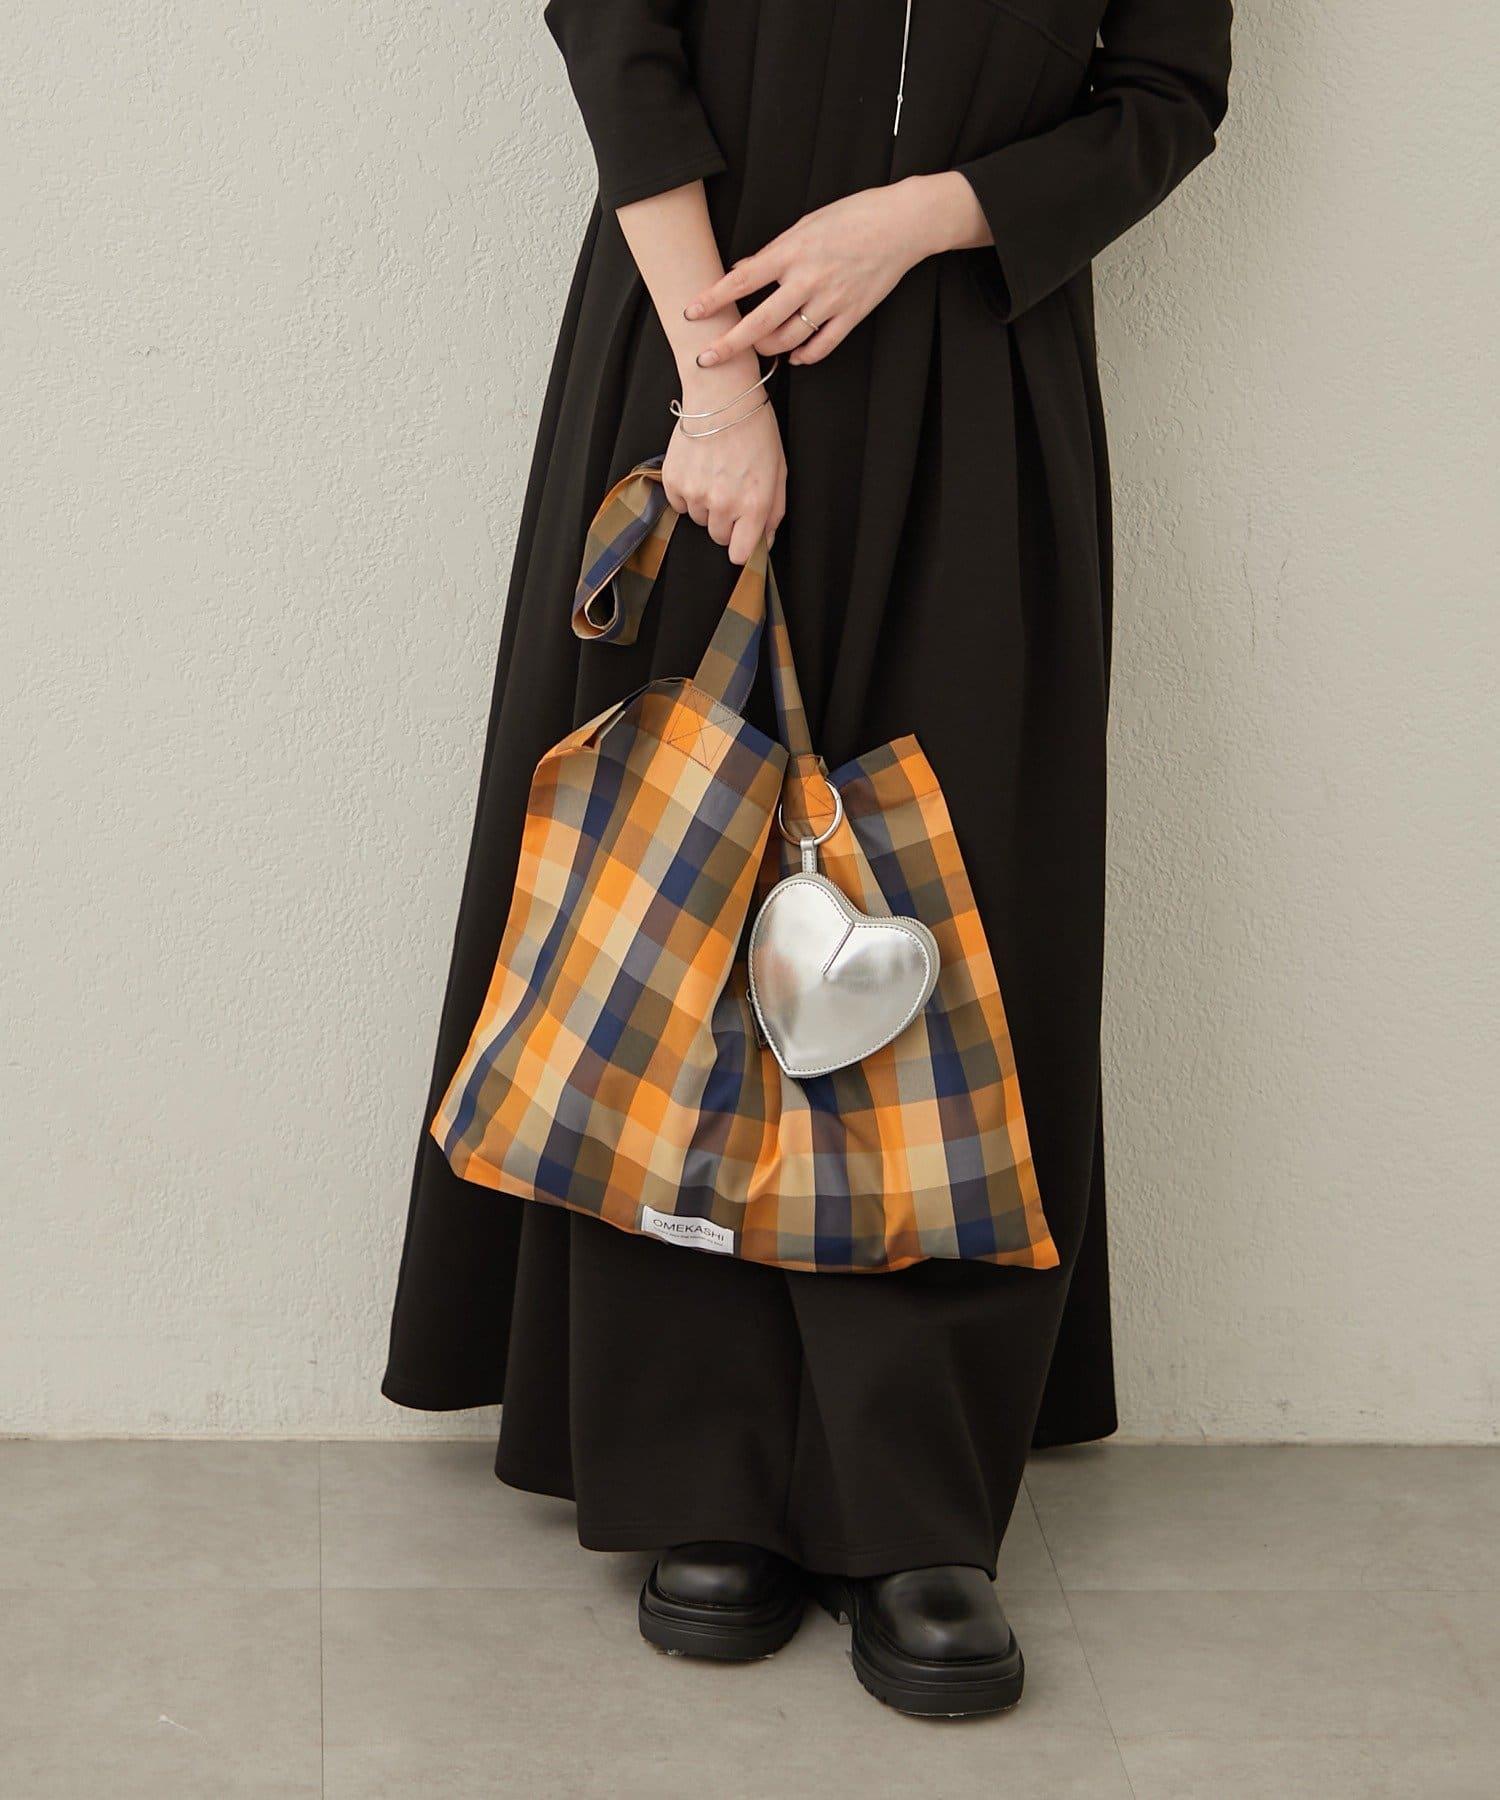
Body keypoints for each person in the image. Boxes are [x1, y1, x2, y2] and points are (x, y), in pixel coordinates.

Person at [383, 0, 1232, 1718]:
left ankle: (911, 1498)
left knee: (957, 927)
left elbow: (1167, 94)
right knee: (677, 908)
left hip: (981, 372)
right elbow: (616, 28)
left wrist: (919, 219)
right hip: (701, 349)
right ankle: (696, 1459)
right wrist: (717, 385)